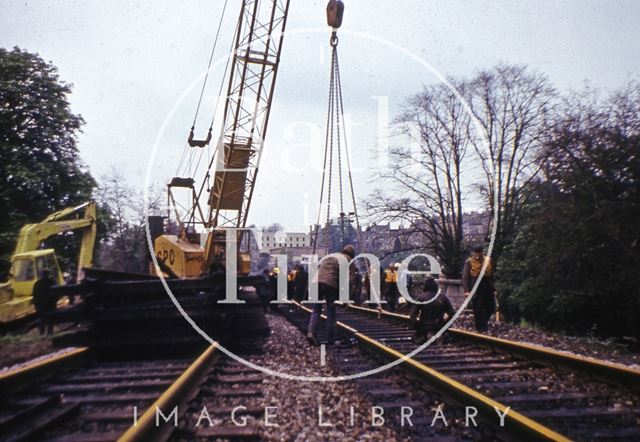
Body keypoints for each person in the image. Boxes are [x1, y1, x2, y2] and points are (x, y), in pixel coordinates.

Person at [307, 244, 355, 346]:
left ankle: (311, 333)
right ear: (351, 254)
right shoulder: (348, 259)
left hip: (316, 281)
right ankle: (330, 339)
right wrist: (347, 298)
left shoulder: (331, 256)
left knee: (316, 309)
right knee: (330, 311)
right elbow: (349, 281)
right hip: (330, 283)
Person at [409, 277, 455, 344]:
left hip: (424, 326)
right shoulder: (442, 298)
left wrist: (416, 325)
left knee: (416, 339)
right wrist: (446, 324)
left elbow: (413, 314)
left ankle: (427, 336)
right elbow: (452, 313)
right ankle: (438, 336)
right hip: (439, 325)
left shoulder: (421, 298)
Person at [462, 244, 497, 332]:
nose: (477, 255)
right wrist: (466, 290)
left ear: (482, 252)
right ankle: (480, 327)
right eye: (476, 253)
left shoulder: (488, 260)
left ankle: (484, 322)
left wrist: (494, 288)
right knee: (478, 308)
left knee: (491, 307)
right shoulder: (469, 262)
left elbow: (491, 276)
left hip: (487, 285)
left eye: (479, 252)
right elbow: (465, 277)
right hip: (476, 286)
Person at [32, 269, 57, 336]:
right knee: (51, 318)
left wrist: (36, 304)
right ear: (48, 274)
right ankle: (50, 332)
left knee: (42, 317)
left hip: (41, 304)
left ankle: (41, 332)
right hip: (51, 303)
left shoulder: (37, 283)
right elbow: (57, 292)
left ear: (42, 274)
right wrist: (55, 300)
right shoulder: (52, 282)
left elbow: (35, 295)